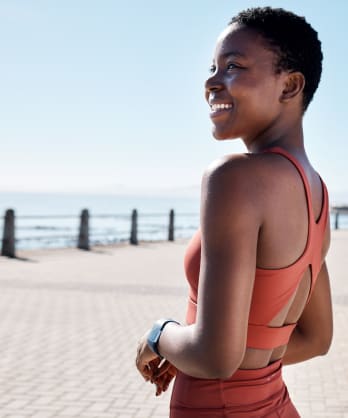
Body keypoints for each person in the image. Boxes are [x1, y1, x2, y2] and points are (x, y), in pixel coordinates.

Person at [136, 6, 333, 417]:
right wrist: (215, 357)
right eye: (212, 67)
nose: (211, 81)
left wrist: (160, 335)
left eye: (233, 66)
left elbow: (214, 357)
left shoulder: (233, 177)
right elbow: (316, 339)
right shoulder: (316, 192)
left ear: (290, 85)